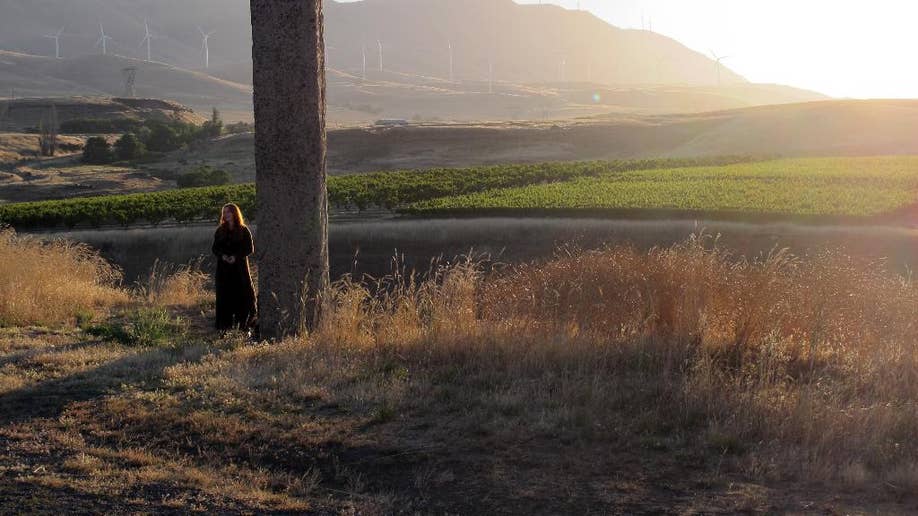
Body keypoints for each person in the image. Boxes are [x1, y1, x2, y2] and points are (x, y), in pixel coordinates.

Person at [212, 203, 257, 333]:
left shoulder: (243, 230)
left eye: (228, 212)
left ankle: (244, 324)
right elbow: (214, 248)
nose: (226, 214)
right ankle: (224, 327)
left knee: (242, 295)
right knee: (225, 296)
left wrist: (236, 257)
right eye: (224, 212)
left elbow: (249, 248)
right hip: (223, 270)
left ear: (234, 213)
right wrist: (223, 256)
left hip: (239, 269)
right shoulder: (220, 230)